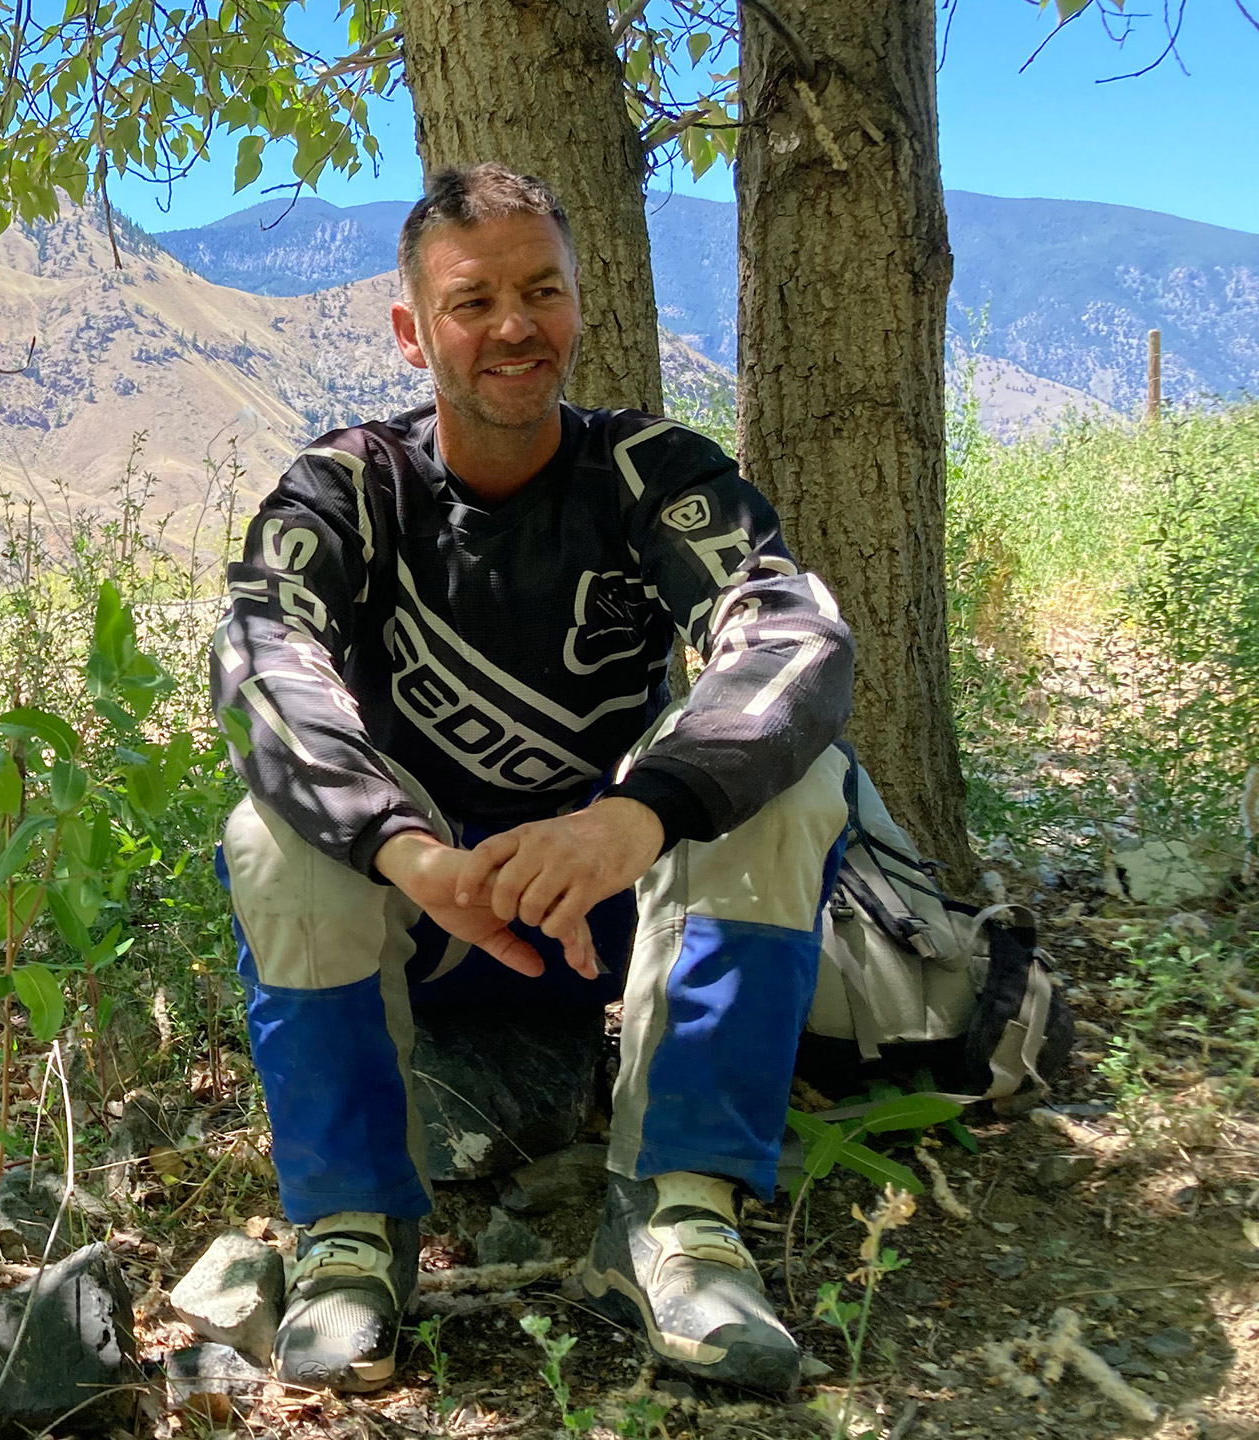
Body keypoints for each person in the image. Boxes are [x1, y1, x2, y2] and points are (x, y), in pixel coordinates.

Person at [209, 162, 856, 1395]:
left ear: (575, 307)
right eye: (471, 301)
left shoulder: (653, 474)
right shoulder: (346, 488)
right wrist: (410, 852)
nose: (512, 326)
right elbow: (258, 662)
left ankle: (677, 1219)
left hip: (603, 905)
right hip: (433, 912)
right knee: (265, 829)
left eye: (539, 291)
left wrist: (635, 815)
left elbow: (788, 638)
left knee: (798, 782)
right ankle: (353, 1233)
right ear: (412, 331)